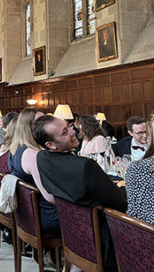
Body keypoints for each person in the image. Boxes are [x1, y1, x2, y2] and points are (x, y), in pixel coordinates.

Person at [32, 115, 127, 271]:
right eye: (64, 132)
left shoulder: (42, 158)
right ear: (50, 144)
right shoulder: (85, 167)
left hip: (74, 235)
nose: (73, 131)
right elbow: (119, 204)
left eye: (69, 127)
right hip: (103, 240)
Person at [7, 108, 61, 236]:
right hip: (45, 216)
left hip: (28, 214)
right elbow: (50, 197)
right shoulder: (32, 155)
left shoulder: (16, 148)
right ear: (29, 127)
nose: (45, 125)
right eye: (40, 122)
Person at [125, 119, 154, 225]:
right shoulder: (122, 144)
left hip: (146, 234)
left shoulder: (137, 168)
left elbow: (134, 212)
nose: (145, 136)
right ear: (130, 133)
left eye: (146, 133)